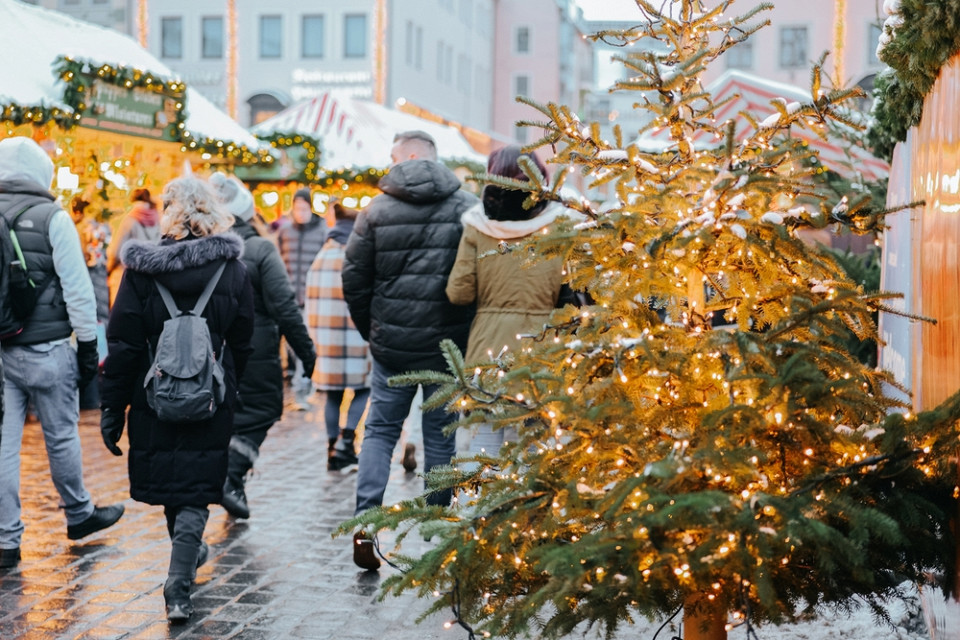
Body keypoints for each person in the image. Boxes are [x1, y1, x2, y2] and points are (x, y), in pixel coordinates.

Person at [98, 175, 254, 621]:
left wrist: (112, 409)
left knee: (174, 482)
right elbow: (244, 340)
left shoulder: (143, 270)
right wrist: (230, 386)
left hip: (154, 396)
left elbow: (123, 344)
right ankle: (180, 580)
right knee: (195, 488)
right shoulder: (233, 270)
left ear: (168, 211)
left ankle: (181, 573)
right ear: (214, 211)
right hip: (211, 398)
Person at [342, 130, 478, 570]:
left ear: (405, 157)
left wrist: (374, 332)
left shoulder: (375, 210)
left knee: (380, 433)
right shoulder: (465, 208)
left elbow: (354, 280)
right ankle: (436, 528)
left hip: (392, 348)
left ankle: (365, 522)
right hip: (446, 346)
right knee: (441, 436)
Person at [0, 136, 124, 570]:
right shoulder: (53, 217)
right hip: (49, 349)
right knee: (61, 436)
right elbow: (78, 289)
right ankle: (79, 514)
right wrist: (89, 348)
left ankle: (5, 540)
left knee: (3, 446)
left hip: (1, 352)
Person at [445, 145, 575, 455]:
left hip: (488, 352)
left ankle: (478, 505)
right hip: (543, 353)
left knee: (481, 456)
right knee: (535, 457)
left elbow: (458, 292)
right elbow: (576, 290)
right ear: (539, 176)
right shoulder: (562, 224)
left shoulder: (477, 226)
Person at [208, 172, 316, 519]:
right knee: (262, 410)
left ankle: (230, 482)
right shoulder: (260, 248)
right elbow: (285, 307)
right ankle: (231, 475)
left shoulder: (202, 246)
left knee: (221, 414)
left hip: (207, 349)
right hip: (255, 350)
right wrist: (308, 354)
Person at [304, 199, 371, 471]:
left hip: (327, 339)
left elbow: (309, 299)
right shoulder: (357, 255)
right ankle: (347, 440)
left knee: (332, 394)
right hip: (357, 335)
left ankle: (332, 448)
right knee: (364, 388)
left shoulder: (321, 256)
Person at [276, 187, 327, 407]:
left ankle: (304, 386)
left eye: (304, 208)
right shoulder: (285, 232)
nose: (300, 212)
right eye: (297, 208)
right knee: (291, 347)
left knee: (307, 344)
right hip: (289, 298)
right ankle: (300, 386)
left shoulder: (322, 231)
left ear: (310, 207)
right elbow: (278, 262)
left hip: (312, 299)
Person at [106, 187, 160, 307]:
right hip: (152, 275)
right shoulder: (159, 219)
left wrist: (109, 268)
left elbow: (116, 251)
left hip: (127, 274)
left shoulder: (129, 219)